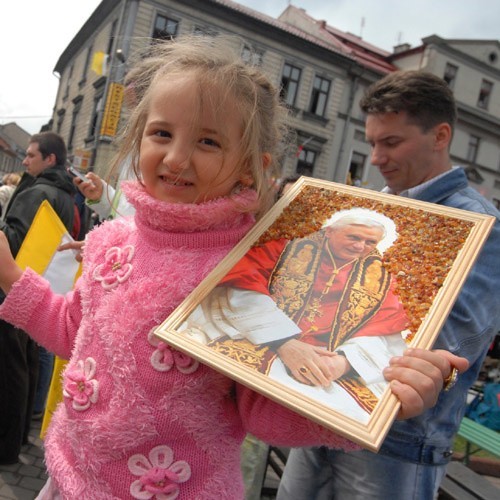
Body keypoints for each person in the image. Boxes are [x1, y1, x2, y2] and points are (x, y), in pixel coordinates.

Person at [0, 37, 463, 497]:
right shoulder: (112, 240)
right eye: (162, 133)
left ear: (250, 167)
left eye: (208, 141)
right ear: (137, 138)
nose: (177, 157)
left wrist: (383, 398)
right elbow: (71, 331)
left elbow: (263, 410)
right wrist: (10, 276)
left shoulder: (253, 267)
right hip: (68, 478)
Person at [277, 70, 500, 500]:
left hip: (396, 439)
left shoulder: (481, 225)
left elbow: (455, 342)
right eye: (373, 142)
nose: (376, 157)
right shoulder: (373, 210)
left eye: (391, 142)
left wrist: (334, 354)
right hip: (324, 408)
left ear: (440, 136)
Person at [180, 208, 409, 422]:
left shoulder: (381, 278)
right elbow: (241, 284)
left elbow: (384, 330)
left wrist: (343, 362)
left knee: (347, 412)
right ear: (329, 231)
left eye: (370, 242)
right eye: (354, 238)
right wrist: (284, 341)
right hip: (261, 340)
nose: (360, 247)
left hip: (325, 362)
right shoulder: (285, 248)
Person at [0, 131, 76, 465]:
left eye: (31, 155)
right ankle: (17, 436)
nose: (25, 160)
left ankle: (5, 444)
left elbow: (12, 240)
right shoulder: (66, 194)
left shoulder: (38, 192)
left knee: (9, 367)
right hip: (45, 287)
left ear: (50, 159)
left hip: (18, 288)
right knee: (27, 363)